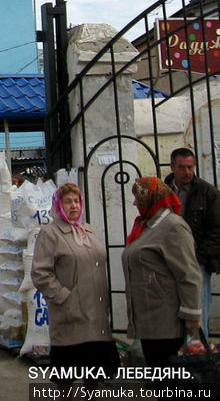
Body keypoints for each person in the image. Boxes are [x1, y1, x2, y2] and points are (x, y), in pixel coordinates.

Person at [31, 183, 119, 381]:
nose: (74, 206)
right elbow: (40, 273)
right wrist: (65, 297)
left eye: (77, 201)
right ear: (59, 205)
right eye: (68, 201)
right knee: (67, 379)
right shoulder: (51, 233)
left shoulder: (88, 230)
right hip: (70, 318)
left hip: (96, 318)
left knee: (93, 377)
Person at [122, 176, 201, 367]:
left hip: (167, 322)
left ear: (151, 198)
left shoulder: (173, 226)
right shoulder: (146, 226)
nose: (134, 203)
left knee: (172, 383)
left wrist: (192, 316)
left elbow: (188, 273)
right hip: (150, 319)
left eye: (138, 198)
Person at [164, 146, 220, 336]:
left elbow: (216, 230)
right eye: (182, 167)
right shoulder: (164, 190)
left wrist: (199, 258)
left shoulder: (207, 192)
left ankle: (200, 357)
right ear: (172, 167)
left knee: (198, 311)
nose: (187, 172)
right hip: (169, 259)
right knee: (172, 311)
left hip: (197, 261)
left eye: (191, 167)